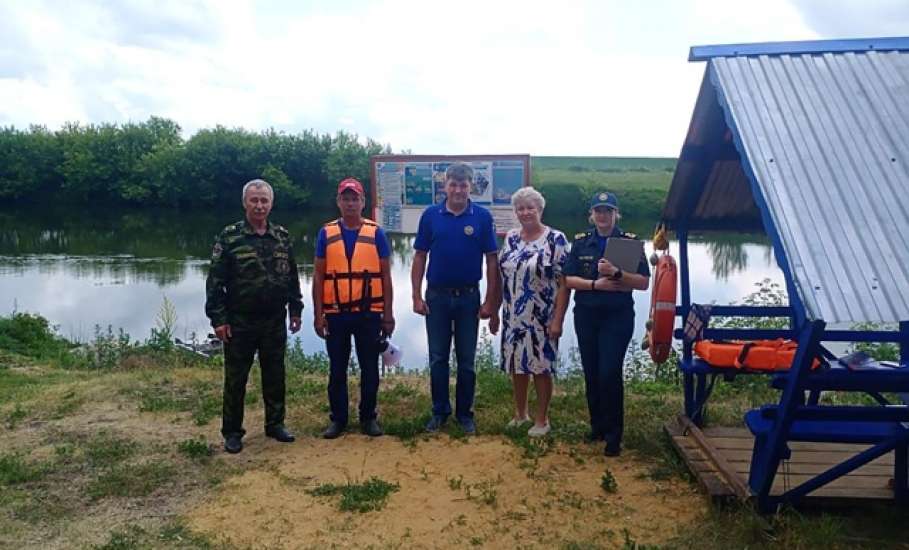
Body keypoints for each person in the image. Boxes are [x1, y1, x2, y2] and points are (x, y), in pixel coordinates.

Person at [205, 178, 303, 454]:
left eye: (264, 201)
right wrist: (219, 319)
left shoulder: (281, 235)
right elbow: (215, 282)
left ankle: (275, 424)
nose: (259, 206)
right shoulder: (230, 237)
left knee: (275, 374)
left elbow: (292, 276)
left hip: (274, 319)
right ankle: (233, 432)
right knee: (236, 379)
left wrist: (295, 310)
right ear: (245, 203)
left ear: (271, 204)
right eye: (254, 200)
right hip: (240, 321)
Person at [411, 162, 499, 434]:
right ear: (445, 186)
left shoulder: (482, 217)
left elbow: (492, 261)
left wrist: (490, 302)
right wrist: (415, 295)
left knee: (467, 361)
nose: (458, 190)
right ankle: (439, 412)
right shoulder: (430, 215)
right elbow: (419, 257)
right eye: (453, 184)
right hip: (436, 298)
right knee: (438, 358)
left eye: (463, 185)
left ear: (471, 186)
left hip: (469, 298)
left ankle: (464, 414)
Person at [563, 191, 649, 456]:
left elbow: (644, 282)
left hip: (617, 315)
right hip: (587, 314)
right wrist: (593, 284)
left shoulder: (630, 242)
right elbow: (567, 280)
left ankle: (614, 434)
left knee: (609, 372)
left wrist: (617, 273)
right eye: (598, 211)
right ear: (592, 215)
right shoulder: (580, 243)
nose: (603, 216)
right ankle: (597, 427)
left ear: (616, 214)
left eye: (608, 211)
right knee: (591, 371)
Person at [312, 178, 394, 439]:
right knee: (337, 368)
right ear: (338, 202)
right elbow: (318, 276)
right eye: (345, 198)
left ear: (363, 202)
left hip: (368, 312)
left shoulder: (376, 233)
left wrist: (388, 315)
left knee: (369, 367)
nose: (350, 203)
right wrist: (318, 315)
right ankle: (338, 419)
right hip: (336, 313)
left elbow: (386, 276)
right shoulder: (325, 233)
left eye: (354, 198)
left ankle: (368, 417)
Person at [496, 187, 570, 437]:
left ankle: (542, 419)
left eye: (531, 208)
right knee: (517, 365)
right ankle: (520, 414)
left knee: (541, 367)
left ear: (540, 210)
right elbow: (502, 275)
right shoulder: (511, 238)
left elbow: (564, 283)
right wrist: (496, 311)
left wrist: (558, 320)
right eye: (520, 208)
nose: (525, 212)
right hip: (513, 315)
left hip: (542, 316)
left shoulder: (556, 239)